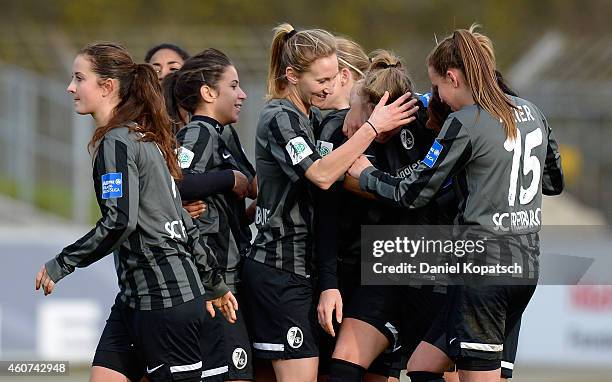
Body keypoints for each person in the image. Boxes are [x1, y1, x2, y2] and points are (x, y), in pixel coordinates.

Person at [348, 25, 564, 382]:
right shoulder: (532, 112)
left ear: (453, 76)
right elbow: (554, 181)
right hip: (524, 268)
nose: (439, 97)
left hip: (484, 271)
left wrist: (367, 174)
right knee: (421, 366)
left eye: (438, 86)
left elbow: (414, 193)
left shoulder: (466, 121)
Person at [34, 42, 237, 382]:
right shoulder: (142, 138)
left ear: (107, 86)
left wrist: (63, 262)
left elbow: (119, 222)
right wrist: (214, 283)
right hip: (134, 299)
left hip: (165, 300)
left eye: (79, 78)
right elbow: (182, 220)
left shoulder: (118, 142)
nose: (70, 87)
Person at [241, 23, 418, 382]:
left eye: (335, 76)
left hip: (302, 271)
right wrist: (370, 129)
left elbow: (281, 186)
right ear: (291, 75)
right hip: (280, 269)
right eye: (322, 79)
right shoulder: (281, 116)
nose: (329, 86)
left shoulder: (307, 117)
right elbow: (321, 175)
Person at [325, 50, 454, 382]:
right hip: (386, 256)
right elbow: (348, 178)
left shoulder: (431, 115)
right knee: (343, 363)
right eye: (367, 114)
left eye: (377, 114)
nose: (374, 125)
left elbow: (413, 193)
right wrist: (358, 112)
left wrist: (379, 182)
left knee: (435, 371)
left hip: (433, 258)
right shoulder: (357, 130)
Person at [165, 48, 256, 382]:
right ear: (208, 93)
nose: (243, 94)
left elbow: (252, 186)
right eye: (234, 86)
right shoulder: (198, 132)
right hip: (216, 279)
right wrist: (228, 179)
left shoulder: (223, 134)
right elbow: (177, 183)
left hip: (234, 273)